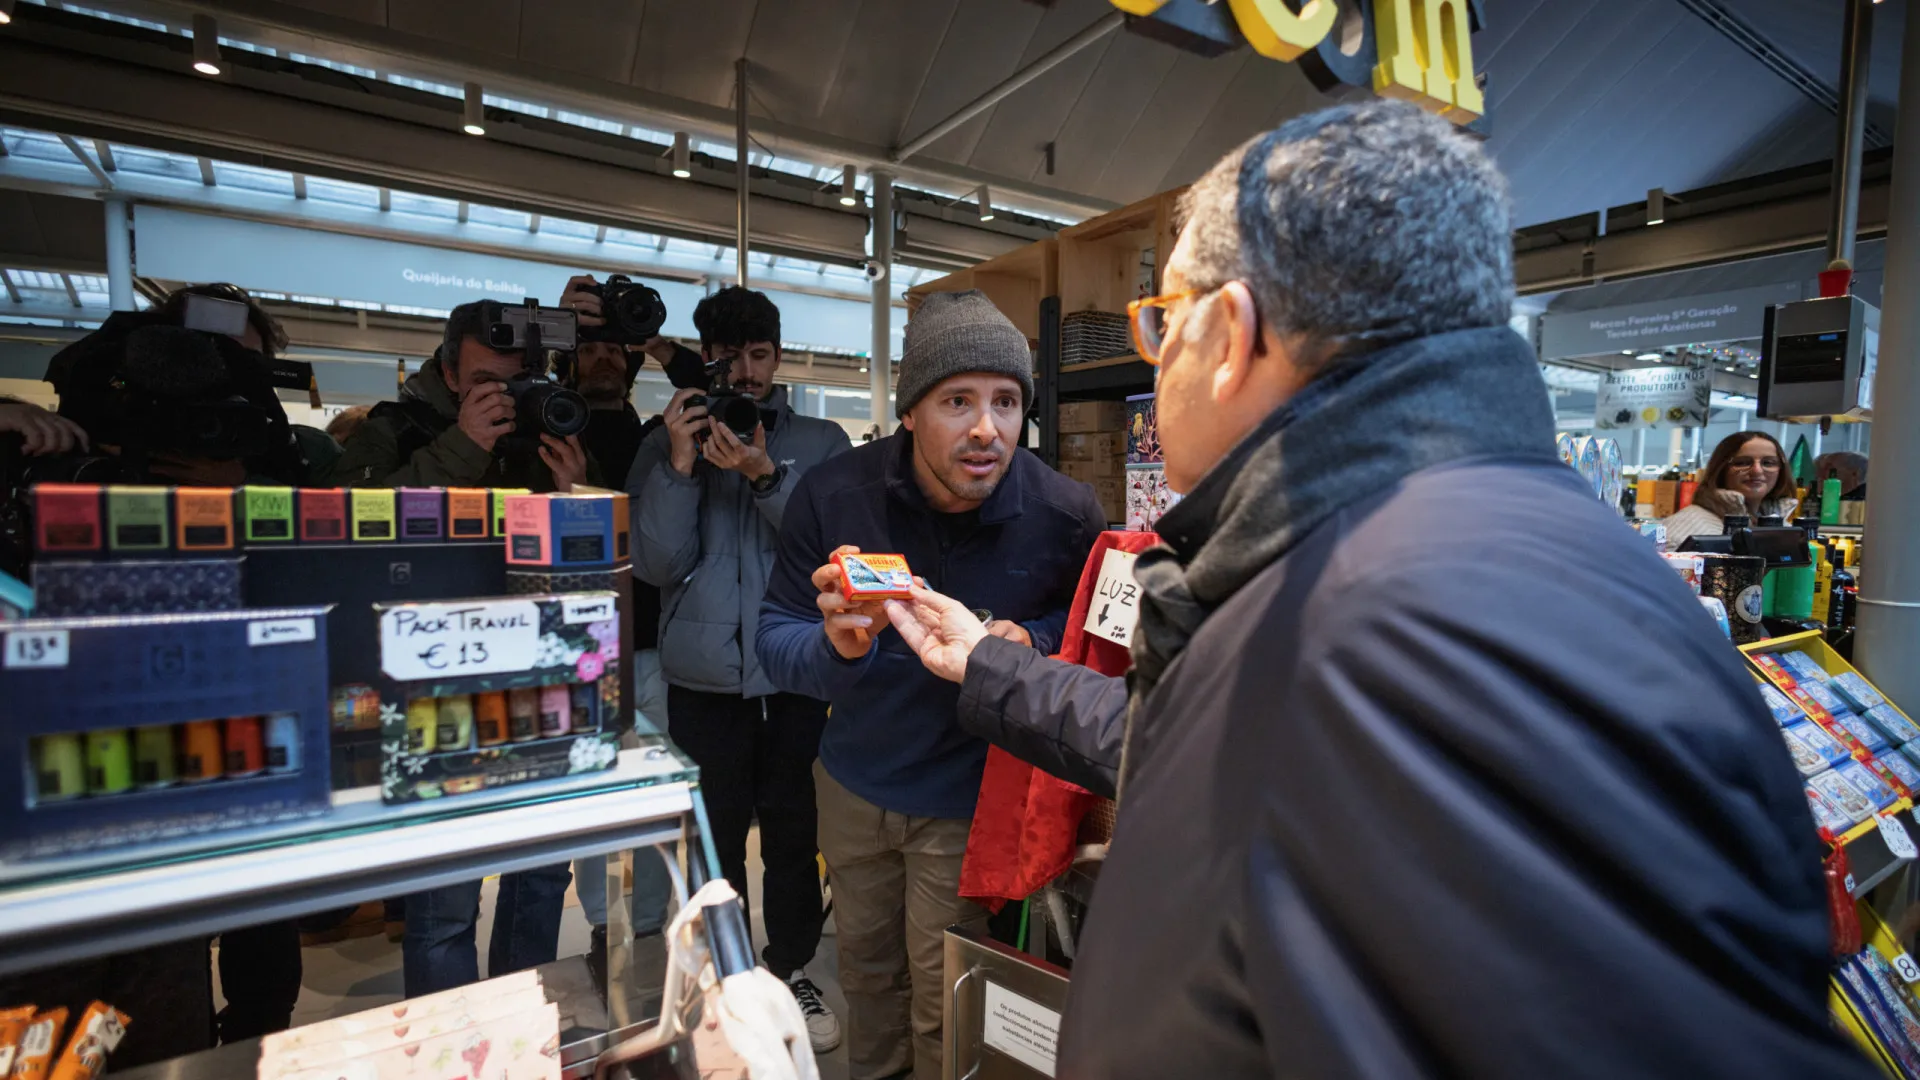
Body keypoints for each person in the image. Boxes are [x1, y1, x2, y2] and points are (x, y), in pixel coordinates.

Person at [878, 102, 1877, 1079]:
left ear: (1231, 333)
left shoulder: (1372, 625)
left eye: (1164, 321)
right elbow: (1209, 744)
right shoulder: (1483, 567)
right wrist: (990, 663)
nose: (1159, 351)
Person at [756, 289, 1105, 1080]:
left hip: (971, 799)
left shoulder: (1064, 512)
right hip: (854, 783)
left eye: (1006, 402)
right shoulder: (834, 495)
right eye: (958, 401)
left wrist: (1032, 640)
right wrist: (835, 648)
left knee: (948, 1001)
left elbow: (1086, 628)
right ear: (910, 410)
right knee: (868, 980)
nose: (987, 429)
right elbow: (775, 636)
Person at [0, 285, 314, 1057]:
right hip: (61, 820)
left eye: (241, 370)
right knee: (57, 1039)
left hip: (225, 764)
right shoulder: (60, 460)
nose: (215, 390)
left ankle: (243, 1051)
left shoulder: (268, 468)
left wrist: (245, 501)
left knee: (170, 1020)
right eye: (202, 361)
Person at [628, 285, 851, 1052]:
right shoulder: (663, 441)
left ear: (778, 357)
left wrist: (764, 477)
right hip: (703, 677)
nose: (747, 372)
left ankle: (790, 970)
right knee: (713, 839)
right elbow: (656, 565)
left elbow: (834, 551)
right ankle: (723, 982)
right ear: (706, 356)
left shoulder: (821, 443)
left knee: (793, 831)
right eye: (730, 356)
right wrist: (679, 465)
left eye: (760, 355)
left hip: (796, 672)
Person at [553, 273, 686, 988]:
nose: (602, 357)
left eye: (613, 347)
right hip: (579, 648)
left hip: (654, 642)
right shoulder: (548, 427)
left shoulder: (653, 435)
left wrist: (657, 340)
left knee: (659, 798)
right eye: (587, 346)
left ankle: (650, 926)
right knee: (591, 803)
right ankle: (605, 926)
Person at [328, 300, 590, 491]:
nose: (503, 396)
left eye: (519, 381)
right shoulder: (391, 431)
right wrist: (462, 447)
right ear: (451, 376)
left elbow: (597, 541)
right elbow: (355, 523)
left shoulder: (556, 431)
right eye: (486, 382)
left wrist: (580, 495)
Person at [1665, 430, 1800, 547]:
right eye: (1742, 463)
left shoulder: (1785, 528)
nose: (1757, 471)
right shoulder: (1683, 530)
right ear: (1720, 469)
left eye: (1768, 463)